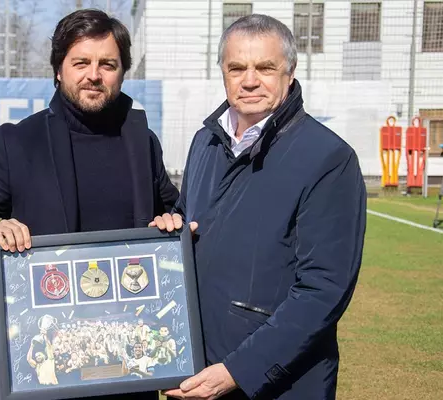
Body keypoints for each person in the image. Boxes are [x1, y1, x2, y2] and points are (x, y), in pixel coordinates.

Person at [0, 8, 178, 400]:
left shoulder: (143, 142)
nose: (94, 75)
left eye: (107, 64)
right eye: (81, 63)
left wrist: (171, 223)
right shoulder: (20, 143)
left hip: (122, 359)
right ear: (58, 70)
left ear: (122, 72)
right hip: (40, 359)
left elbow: (173, 214)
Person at [152, 14, 367, 400]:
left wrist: (239, 371)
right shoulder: (205, 142)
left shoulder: (328, 158)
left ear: (290, 72)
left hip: (277, 384)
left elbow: (323, 290)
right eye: (237, 68)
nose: (249, 80)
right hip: (199, 369)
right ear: (223, 72)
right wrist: (173, 227)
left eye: (265, 67)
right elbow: (191, 216)